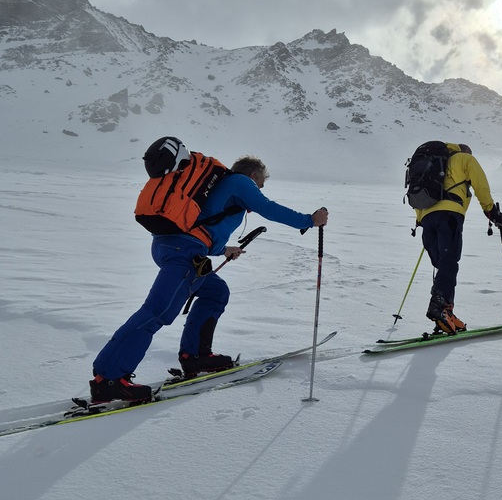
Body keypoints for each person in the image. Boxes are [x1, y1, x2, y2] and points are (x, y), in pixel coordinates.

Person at [90, 142, 328, 403]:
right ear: (253, 176)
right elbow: (268, 208)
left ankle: (195, 356)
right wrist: (309, 220)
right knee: (156, 312)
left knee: (216, 291)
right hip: (183, 252)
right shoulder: (240, 182)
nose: (259, 190)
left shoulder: (218, 187)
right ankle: (109, 379)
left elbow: (201, 226)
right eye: (260, 184)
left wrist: (223, 249)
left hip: (172, 246)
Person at [414, 142, 502, 334]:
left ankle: (446, 311)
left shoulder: (432, 163)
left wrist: (422, 219)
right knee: (449, 263)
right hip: (449, 215)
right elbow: (480, 184)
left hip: (427, 218)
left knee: (443, 265)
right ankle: (440, 307)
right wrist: (491, 211)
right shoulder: (464, 158)